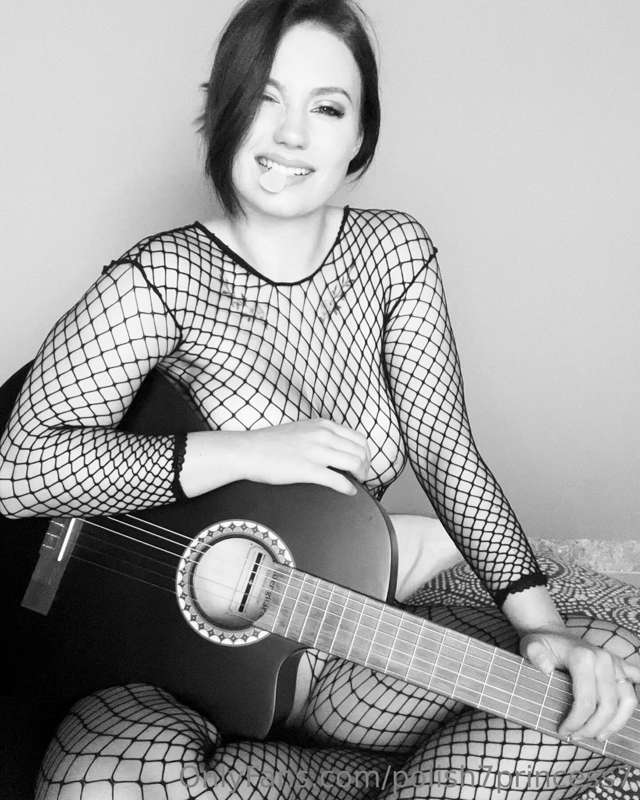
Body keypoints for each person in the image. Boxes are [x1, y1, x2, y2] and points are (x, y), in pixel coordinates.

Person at [1, 1, 638, 798]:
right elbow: (18, 471)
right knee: (103, 786)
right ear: (223, 111)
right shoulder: (160, 280)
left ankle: (345, 778)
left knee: (610, 678)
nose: (292, 135)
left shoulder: (393, 255)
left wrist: (542, 628)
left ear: (360, 135)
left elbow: (446, 454)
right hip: (161, 667)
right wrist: (245, 452)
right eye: (265, 99)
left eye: (327, 108)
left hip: (336, 649)